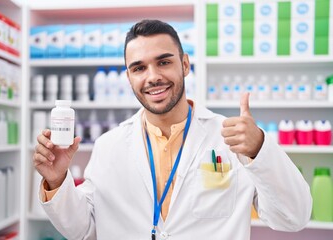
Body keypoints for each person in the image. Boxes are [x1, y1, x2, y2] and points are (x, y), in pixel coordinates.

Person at [33, 19, 312, 240]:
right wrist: (58, 182)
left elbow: (293, 218)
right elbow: (84, 230)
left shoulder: (230, 139)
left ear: (185, 64)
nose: (153, 76)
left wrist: (259, 149)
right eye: (139, 68)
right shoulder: (109, 145)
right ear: (129, 77)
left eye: (164, 62)